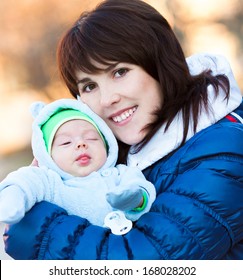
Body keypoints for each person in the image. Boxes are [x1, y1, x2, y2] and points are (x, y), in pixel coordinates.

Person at [3, 0, 243, 260]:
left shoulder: (224, 153)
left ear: (159, 64)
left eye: (119, 72)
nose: (106, 100)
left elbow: (144, 263)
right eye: (89, 86)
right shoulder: (121, 154)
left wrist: (39, 225)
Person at [0, 98, 156, 234]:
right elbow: (26, 181)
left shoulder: (120, 173)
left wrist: (135, 200)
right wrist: (14, 196)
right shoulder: (51, 182)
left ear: (107, 143)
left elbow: (140, 186)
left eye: (91, 138)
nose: (81, 144)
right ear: (48, 156)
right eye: (66, 142)